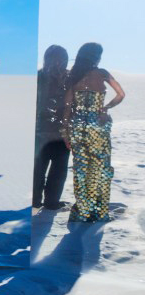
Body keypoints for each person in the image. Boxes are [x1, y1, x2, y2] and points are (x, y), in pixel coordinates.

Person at [62, 43, 125, 222]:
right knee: (101, 167)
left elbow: (67, 107)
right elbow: (121, 94)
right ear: (97, 57)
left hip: (78, 126)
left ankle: (83, 211)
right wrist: (106, 107)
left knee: (81, 168)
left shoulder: (73, 75)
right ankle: (100, 211)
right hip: (98, 125)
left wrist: (65, 133)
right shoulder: (103, 73)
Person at [33, 45, 70, 210]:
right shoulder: (39, 77)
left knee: (58, 170)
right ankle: (36, 201)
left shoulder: (68, 78)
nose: (59, 63)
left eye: (63, 59)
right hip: (41, 132)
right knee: (38, 169)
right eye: (56, 58)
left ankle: (51, 202)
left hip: (61, 133)